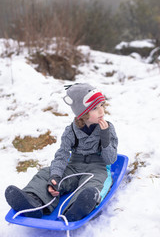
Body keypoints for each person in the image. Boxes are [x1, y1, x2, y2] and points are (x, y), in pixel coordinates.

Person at [5, 83, 118, 221]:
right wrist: (55, 176)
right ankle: (33, 201)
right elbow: (62, 154)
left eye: (102, 105)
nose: (101, 111)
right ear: (83, 113)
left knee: (96, 184)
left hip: (97, 167)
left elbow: (111, 160)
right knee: (46, 174)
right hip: (74, 165)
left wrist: (105, 139)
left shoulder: (107, 129)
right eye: (95, 108)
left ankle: (76, 208)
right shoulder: (70, 131)